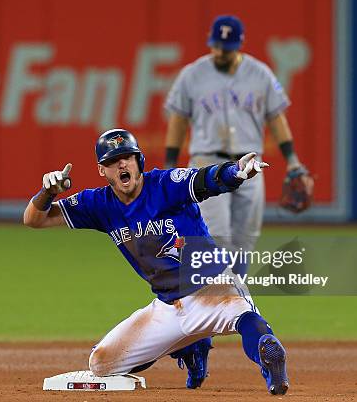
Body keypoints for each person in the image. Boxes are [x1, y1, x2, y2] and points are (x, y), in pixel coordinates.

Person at [23, 128, 289, 395]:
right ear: (102, 170)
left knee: (246, 319)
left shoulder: (164, 185)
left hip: (213, 289)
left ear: (140, 161)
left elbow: (205, 180)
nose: (122, 164)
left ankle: (272, 365)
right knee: (100, 363)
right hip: (168, 308)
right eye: (113, 161)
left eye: (128, 157)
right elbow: (34, 219)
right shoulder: (99, 204)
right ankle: (191, 346)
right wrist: (48, 193)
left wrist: (236, 171)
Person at [164, 15, 311, 270]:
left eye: (226, 48)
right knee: (216, 237)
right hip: (207, 162)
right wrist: (170, 165)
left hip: (251, 165)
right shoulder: (192, 74)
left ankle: (236, 298)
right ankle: (216, 300)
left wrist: (292, 160)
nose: (219, 52)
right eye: (216, 46)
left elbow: (277, 119)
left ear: (239, 45)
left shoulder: (260, 73)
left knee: (245, 240)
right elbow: (178, 121)